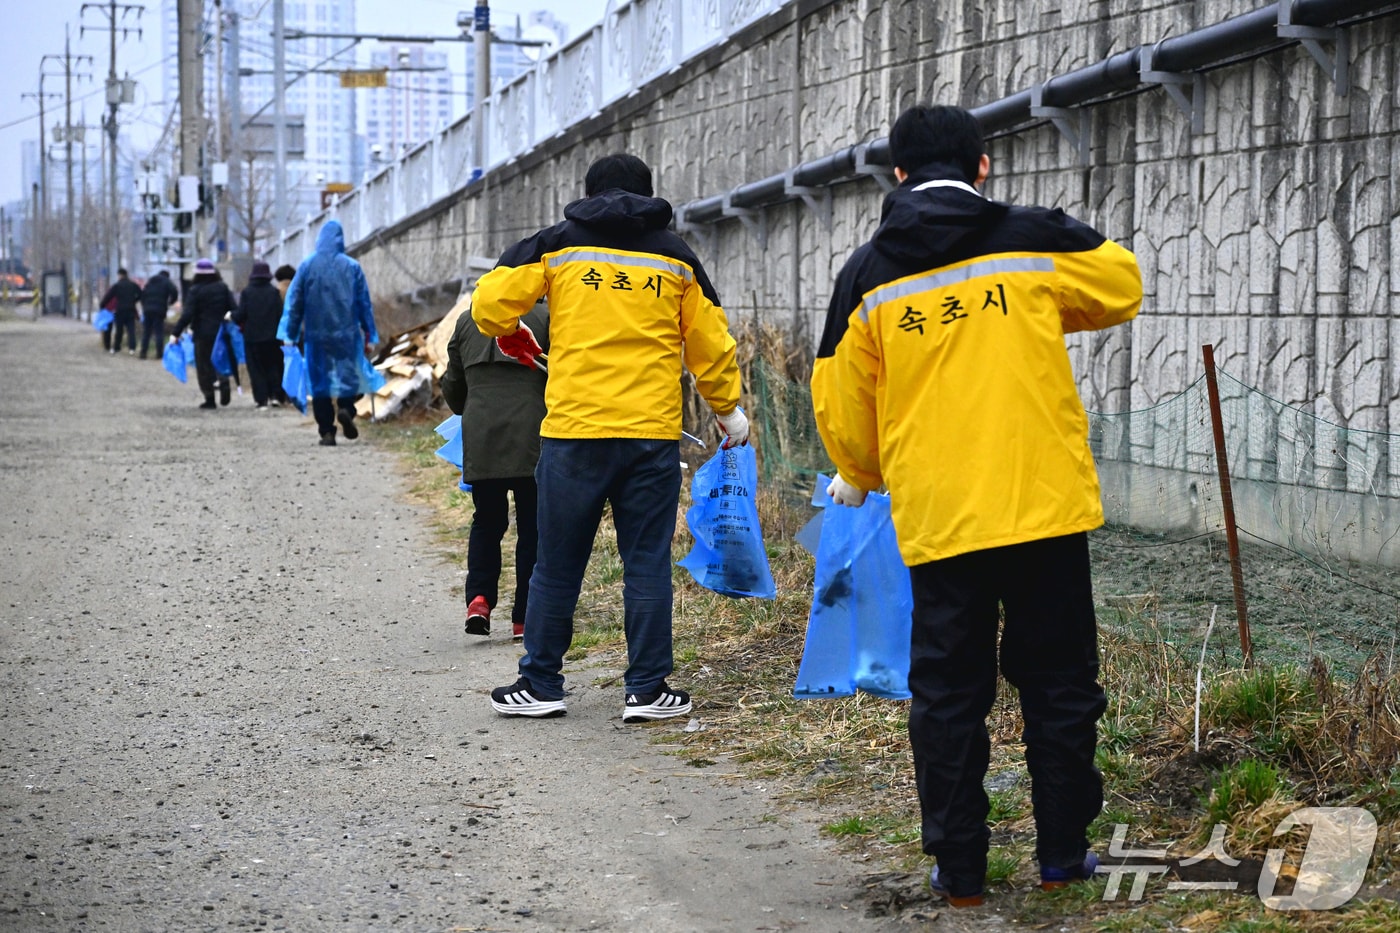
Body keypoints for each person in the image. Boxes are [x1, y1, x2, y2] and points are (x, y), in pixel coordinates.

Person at [811, 105, 1143, 907]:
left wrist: (864, 469)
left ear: (896, 174)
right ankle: (1062, 855)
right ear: (984, 165)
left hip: (942, 518)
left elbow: (840, 403)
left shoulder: (866, 273)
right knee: (1060, 684)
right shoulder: (1033, 241)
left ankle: (959, 871)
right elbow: (1121, 284)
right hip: (1045, 507)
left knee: (950, 694)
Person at [472, 152, 749, 722]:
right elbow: (711, 345)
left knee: (555, 561)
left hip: (574, 431)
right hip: (649, 436)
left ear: (589, 190)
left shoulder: (558, 244)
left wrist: (514, 331)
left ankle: (541, 684)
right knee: (645, 561)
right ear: (648, 193)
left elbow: (486, 305)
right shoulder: (676, 257)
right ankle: (647, 690)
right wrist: (728, 412)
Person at [440, 301, 549, 641]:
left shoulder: (466, 319)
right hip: (533, 433)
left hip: (482, 435)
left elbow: (454, 389)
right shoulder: (549, 316)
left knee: (487, 521)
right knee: (532, 526)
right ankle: (524, 618)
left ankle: (479, 599)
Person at [277, 219, 379, 446]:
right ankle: (346, 408)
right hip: (347, 335)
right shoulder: (352, 267)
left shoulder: (306, 266)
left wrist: (290, 335)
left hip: (316, 336)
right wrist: (370, 334)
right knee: (348, 377)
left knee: (320, 383)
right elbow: (364, 304)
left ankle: (327, 431)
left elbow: (295, 304)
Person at [169, 258, 236, 410]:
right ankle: (223, 380)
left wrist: (176, 333)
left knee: (204, 366)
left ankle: (210, 399)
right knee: (219, 360)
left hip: (202, 334)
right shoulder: (222, 287)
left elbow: (187, 314)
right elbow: (233, 308)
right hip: (221, 332)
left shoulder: (195, 290)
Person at [233, 261, 288, 409]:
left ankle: (261, 399)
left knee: (256, 369)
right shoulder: (274, 292)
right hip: (273, 338)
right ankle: (276, 396)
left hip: (252, 338)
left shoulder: (247, 292)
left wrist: (231, 316)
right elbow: (280, 315)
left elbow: (240, 315)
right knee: (274, 366)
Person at [100, 268, 143, 356]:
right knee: (131, 330)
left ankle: (116, 347)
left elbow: (108, 296)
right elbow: (141, 294)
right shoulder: (133, 285)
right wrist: (134, 300)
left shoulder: (117, 285)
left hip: (120, 310)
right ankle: (132, 348)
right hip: (131, 309)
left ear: (120, 275)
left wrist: (102, 305)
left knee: (119, 330)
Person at [139, 269, 180, 359]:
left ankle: (143, 353)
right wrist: (171, 302)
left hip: (148, 310)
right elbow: (174, 291)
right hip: (159, 310)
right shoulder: (166, 281)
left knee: (146, 331)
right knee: (158, 332)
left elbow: (142, 294)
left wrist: (145, 305)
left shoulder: (150, 281)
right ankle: (159, 353)